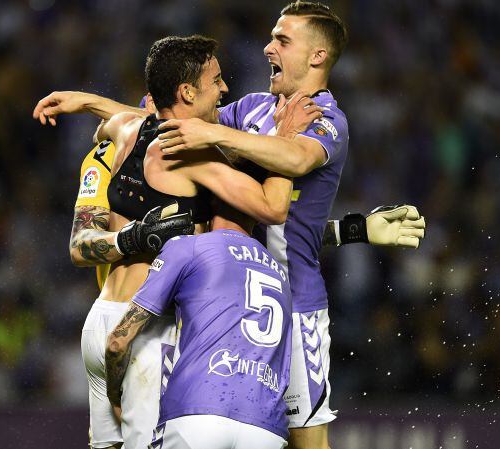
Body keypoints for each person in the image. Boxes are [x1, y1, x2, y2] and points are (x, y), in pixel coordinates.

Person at [35, 4, 426, 449]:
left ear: (316, 56)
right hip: (223, 298)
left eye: (282, 40)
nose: (267, 47)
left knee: (306, 441)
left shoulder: (326, 119)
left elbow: (292, 162)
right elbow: (174, 115)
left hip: (293, 303)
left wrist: (216, 136)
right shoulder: (255, 108)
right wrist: (89, 102)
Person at [63, 35, 309, 449]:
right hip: (145, 333)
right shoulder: (189, 156)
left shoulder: (126, 129)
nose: (225, 90)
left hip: (99, 322)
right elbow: (272, 208)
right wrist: (285, 140)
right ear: (187, 92)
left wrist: (85, 101)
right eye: (216, 80)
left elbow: (107, 127)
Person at [106, 201, 292, 449]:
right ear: (257, 218)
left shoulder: (189, 247)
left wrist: (114, 395)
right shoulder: (281, 275)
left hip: (196, 413)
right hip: (267, 427)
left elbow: (117, 342)